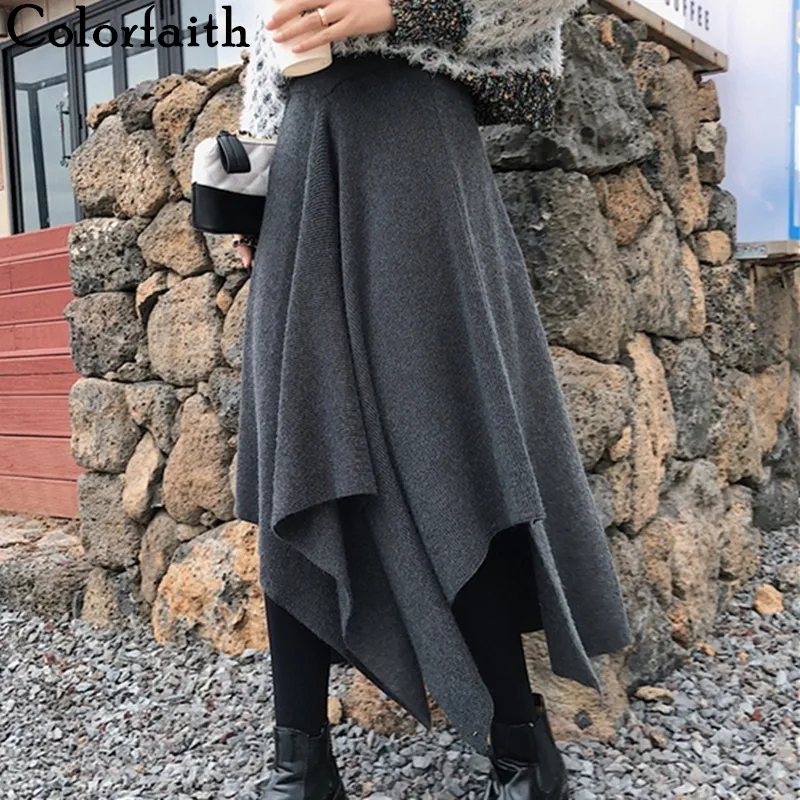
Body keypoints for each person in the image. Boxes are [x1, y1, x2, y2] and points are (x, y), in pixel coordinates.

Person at [232, 1, 633, 798]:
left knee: (449, 437)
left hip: (414, 148)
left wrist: (396, 10)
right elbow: (270, 47)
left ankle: (520, 754)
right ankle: (298, 765)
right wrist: (256, 173)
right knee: (298, 445)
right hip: (301, 164)